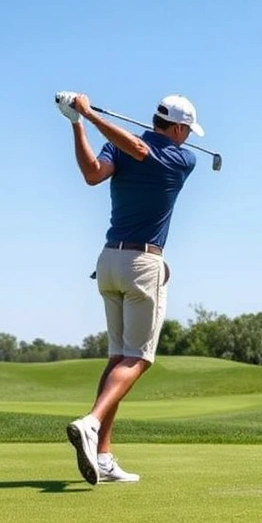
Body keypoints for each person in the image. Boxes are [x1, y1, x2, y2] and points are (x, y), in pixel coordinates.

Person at [54, 90, 204, 485]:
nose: (188, 139)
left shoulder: (166, 156)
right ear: (175, 127)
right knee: (138, 359)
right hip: (142, 264)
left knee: (117, 356)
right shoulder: (178, 155)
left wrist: (81, 118)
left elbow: (127, 153)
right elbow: (94, 173)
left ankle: (103, 456)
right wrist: (79, 121)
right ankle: (91, 423)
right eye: (186, 130)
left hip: (109, 263)